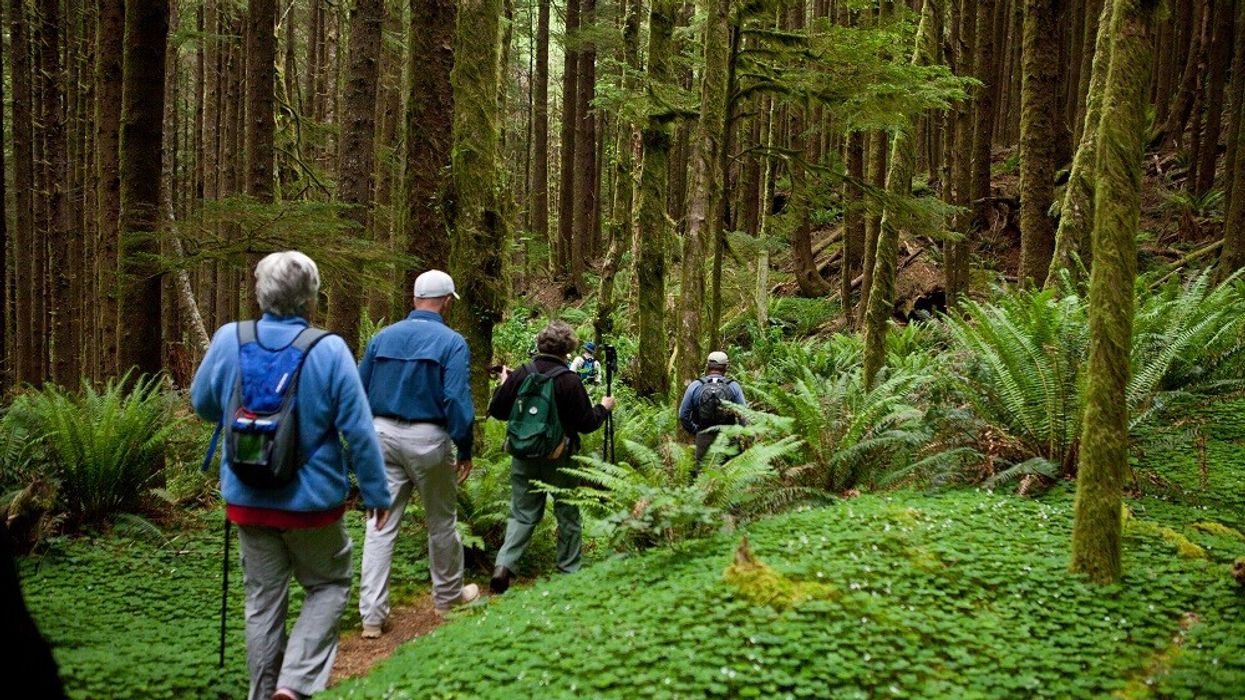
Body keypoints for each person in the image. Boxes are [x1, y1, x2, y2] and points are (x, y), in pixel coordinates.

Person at [191, 251, 391, 700]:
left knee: (263, 603)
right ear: (310, 300)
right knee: (329, 584)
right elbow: (358, 429)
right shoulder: (329, 349)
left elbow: (202, 405)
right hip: (313, 504)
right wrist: (378, 493)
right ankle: (295, 684)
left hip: (247, 499)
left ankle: (263, 694)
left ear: (260, 292)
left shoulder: (229, 339)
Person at [357, 270, 480, 636]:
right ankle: (447, 597)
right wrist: (465, 446)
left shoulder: (382, 338)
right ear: (445, 303)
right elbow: (456, 398)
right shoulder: (452, 342)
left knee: (379, 524)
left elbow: (360, 389)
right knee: (441, 520)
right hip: (428, 438)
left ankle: (372, 617)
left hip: (380, 434)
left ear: (414, 300)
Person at [487, 321, 616, 593]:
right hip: (560, 457)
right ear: (568, 348)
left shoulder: (522, 373)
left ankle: (504, 565)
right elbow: (587, 423)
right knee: (567, 512)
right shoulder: (569, 380)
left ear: (540, 344)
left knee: (522, 514)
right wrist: (603, 408)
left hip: (522, 455)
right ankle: (568, 571)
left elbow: (497, 411)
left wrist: (504, 385)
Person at [678, 351, 748, 465]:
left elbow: (683, 415)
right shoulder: (733, 386)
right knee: (731, 476)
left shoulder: (695, 386)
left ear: (708, 366)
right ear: (725, 367)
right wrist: (740, 434)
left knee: (703, 476)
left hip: (703, 438)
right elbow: (744, 415)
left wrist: (696, 430)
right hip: (728, 438)